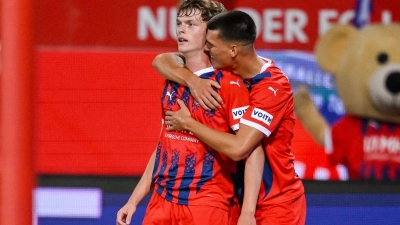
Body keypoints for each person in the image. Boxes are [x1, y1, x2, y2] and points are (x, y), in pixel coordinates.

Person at [116, 2, 263, 225]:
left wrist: (248, 213)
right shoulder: (172, 81)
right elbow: (163, 145)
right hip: (161, 201)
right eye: (179, 23)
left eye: (191, 24)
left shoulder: (229, 85)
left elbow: (252, 151)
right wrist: (134, 200)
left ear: (211, 34)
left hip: (207, 203)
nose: (181, 30)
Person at [165, 10, 307, 224]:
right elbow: (161, 61)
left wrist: (187, 123)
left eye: (211, 45)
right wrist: (192, 81)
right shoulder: (231, 74)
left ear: (233, 51)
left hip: (275, 205)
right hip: (238, 202)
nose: (205, 49)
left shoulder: (272, 87)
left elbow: (240, 148)